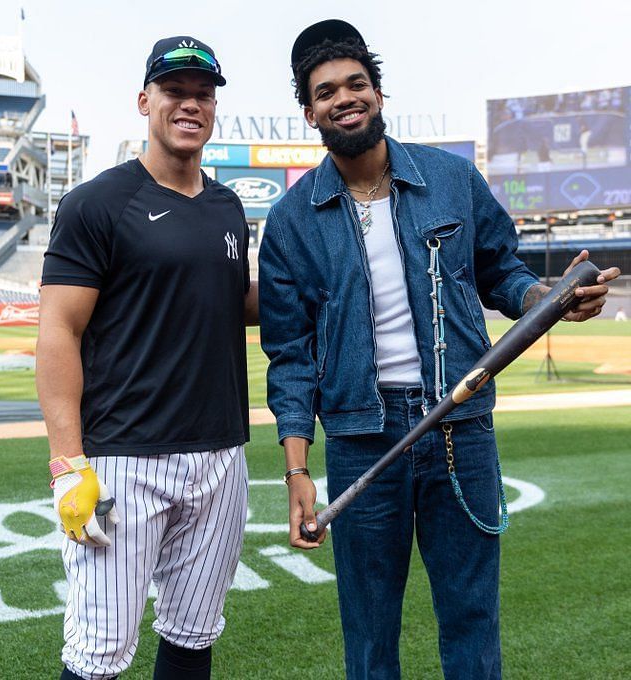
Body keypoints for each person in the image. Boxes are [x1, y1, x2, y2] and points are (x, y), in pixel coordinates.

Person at [258, 19, 619, 680]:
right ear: (309, 111)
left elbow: (501, 272)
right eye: (327, 90)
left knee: (472, 625)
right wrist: (296, 469)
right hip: (362, 438)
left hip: (461, 432)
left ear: (378, 93)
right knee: (369, 640)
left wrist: (545, 296)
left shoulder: (453, 180)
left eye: (357, 83)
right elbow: (290, 357)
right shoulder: (288, 223)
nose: (346, 97)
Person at [36, 36, 257, 680]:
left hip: (220, 455)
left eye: (203, 94)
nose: (190, 104)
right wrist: (67, 462)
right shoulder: (98, 203)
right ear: (145, 101)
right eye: (174, 91)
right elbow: (58, 332)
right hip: (123, 460)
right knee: (99, 654)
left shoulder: (227, 204)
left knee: (193, 635)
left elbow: (232, 299)